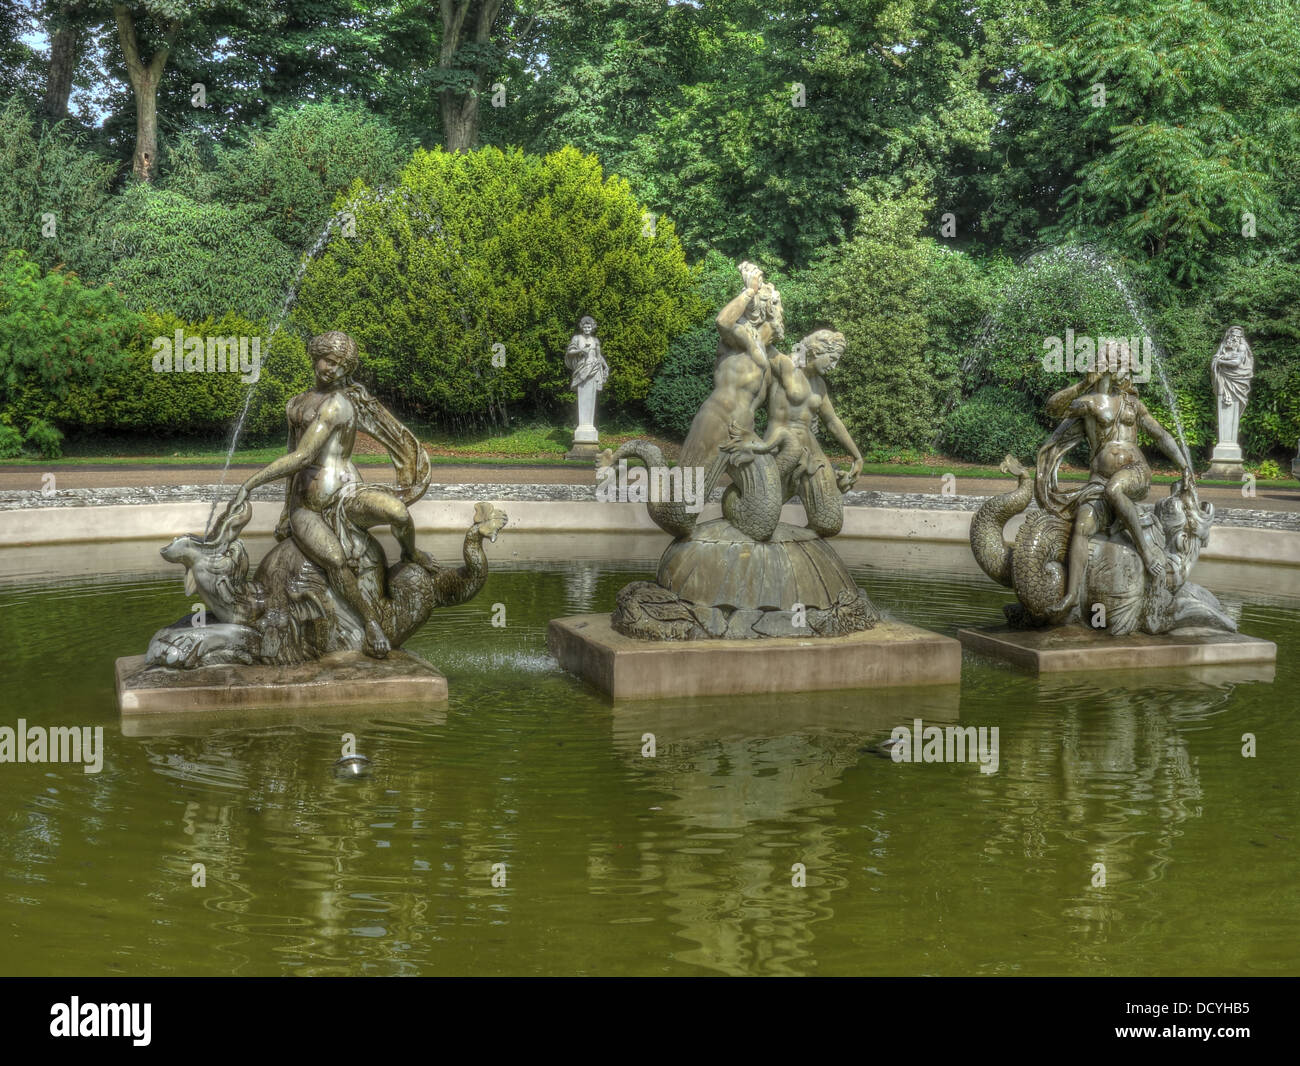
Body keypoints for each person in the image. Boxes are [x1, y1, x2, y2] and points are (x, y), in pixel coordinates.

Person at [219, 332, 433, 658]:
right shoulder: (296, 404)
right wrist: (283, 514)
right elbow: (294, 460)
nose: (332, 370)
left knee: (399, 513)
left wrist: (250, 483)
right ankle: (371, 622)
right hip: (306, 508)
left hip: (348, 495)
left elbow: (305, 457)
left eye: (340, 366)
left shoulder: (338, 405)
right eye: (329, 361)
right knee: (334, 558)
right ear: (316, 356)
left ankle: (410, 554)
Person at [1037, 341, 1194, 614]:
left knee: (1115, 490)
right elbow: (1052, 407)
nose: (1128, 373)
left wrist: (1184, 465)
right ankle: (1073, 594)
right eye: (1121, 365)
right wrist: (1083, 384)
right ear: (1106, 369)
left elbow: (1160, 435)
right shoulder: (1088, 403)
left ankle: (1145, 552)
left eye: (1128, 366)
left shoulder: (1133, 405)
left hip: (1135, 473)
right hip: (1099, 481)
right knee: (1083, 526)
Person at [678, 261, 785, 469]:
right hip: (718, 419)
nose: (783, 313)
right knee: (686, 489)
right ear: (767, 310)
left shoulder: (769, 354)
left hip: (745, 431)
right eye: (779, 306)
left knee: (765, 489)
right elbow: (723, 321)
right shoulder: (741, 335)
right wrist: (749, 292)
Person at [759, 330, 861, 536]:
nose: (834, 366)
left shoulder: (819, 385)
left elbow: (832, 421)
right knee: (761, 519)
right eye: (831, 359)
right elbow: (759, 342)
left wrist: (857, 455)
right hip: (779, 447)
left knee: (829, 523)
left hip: (812, 453)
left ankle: (797, 549)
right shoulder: (786, 365)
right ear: (816, 351)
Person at [565, 316, 609, 432]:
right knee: (583, 397)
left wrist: (605, 366)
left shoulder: (595, 341)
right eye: (585, 327)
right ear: (582, 327)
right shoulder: (577, 338)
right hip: (582, 370)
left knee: (591, 397)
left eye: (589, 326)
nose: (587, 329)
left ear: (592, 327)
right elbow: (569, 352)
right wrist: (581, 351)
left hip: (594, 369)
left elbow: (598, 356)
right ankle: (582, 427)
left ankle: (589, 427)